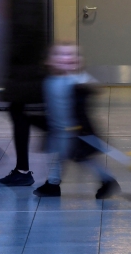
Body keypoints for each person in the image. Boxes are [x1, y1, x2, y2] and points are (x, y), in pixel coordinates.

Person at [0, 0, 51, 187]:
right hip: (27, 66)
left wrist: (14, 63)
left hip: (26, 67)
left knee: (24, 115)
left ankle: (25, 169)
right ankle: (22, 168)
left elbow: (27, 31)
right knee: (20, 114)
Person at [34, 43, 119, 199]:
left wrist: (82, 85)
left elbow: (90, 89)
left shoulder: (77, 80)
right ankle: (52, 184)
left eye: (72, 55)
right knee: (59, 157)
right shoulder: (49, 80)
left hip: (73, 131)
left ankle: (107, 179)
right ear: (48, 61)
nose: (66, 58)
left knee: (80, 158)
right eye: (60, 54)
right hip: (56, 130)